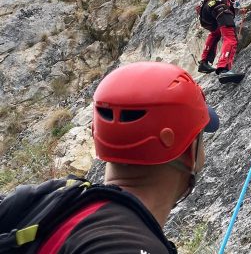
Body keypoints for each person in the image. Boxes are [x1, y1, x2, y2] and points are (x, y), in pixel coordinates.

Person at [38, 62, 219, 254]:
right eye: (200, 136)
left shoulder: (50, 202)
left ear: (96, 134)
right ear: (191, 150)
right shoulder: (132, 247)